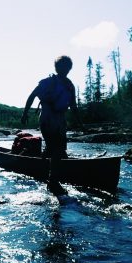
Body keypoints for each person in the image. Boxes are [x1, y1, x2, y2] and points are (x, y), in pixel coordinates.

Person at [20, 55, 82, 195]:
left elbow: (73, 106)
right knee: (56, 149)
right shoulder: (48, 82)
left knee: (57, 149)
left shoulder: (69, 85)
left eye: (67, 66)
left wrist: (80, 124)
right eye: (62, 66)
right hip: (47, 118)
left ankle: (42, 165)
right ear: (57, 67)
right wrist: (25, 113)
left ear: (70, 68)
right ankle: (52, 182)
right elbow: (32, 95)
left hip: (60, 120)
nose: (65, 69)